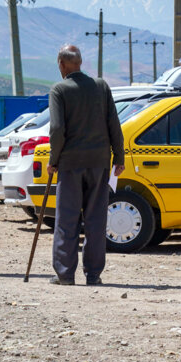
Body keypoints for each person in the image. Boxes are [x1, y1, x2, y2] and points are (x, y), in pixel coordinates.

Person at [47, 45, 124, 286]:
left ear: (61, 64)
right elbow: (114, 123)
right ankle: (93, 274)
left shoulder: (59, 89)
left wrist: (53, 160)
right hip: (99, 163)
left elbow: (57, 129)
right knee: (95, 220)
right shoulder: (101, 86)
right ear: (80, 63)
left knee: (67, 220)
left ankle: (65, 274)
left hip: (70, 164)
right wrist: (119, 158)